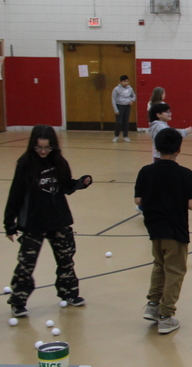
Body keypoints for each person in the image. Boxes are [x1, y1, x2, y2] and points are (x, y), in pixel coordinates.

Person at [4, 126, 92, 317]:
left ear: (53, 146)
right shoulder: (25, 163)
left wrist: (80, 183)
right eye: (39, 148)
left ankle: (69, 293)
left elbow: (66, 186)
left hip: (58, 219)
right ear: (32, 146)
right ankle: (18, 301)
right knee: (26, 263)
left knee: (66, 259)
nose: (43, 152)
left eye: (47, 148)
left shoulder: (59, 161)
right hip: (33, 223)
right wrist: (9, 223)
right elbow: (15, 194)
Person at [134, 128, 192, 334]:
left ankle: (153, 305)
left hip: (154, 228)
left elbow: (139, 200)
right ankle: (166, 315)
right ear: (179, 149)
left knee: (159, 265)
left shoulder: (146, 171)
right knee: (175, 271)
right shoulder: (185, 174)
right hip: (176, 230)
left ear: (156, 148)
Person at [112, 74, 136, 142]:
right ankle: (116, 135)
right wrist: (115, 109)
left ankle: (125, 136)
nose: (126, 83)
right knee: (119, 122)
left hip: (127, 107)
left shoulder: (130, 89)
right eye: (124, 81)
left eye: (127, 81)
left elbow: (133, 96)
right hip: (119, 106)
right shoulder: (116, 89)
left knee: (126, 122)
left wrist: (132, 100)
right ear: (121, 82)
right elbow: (113, 99)